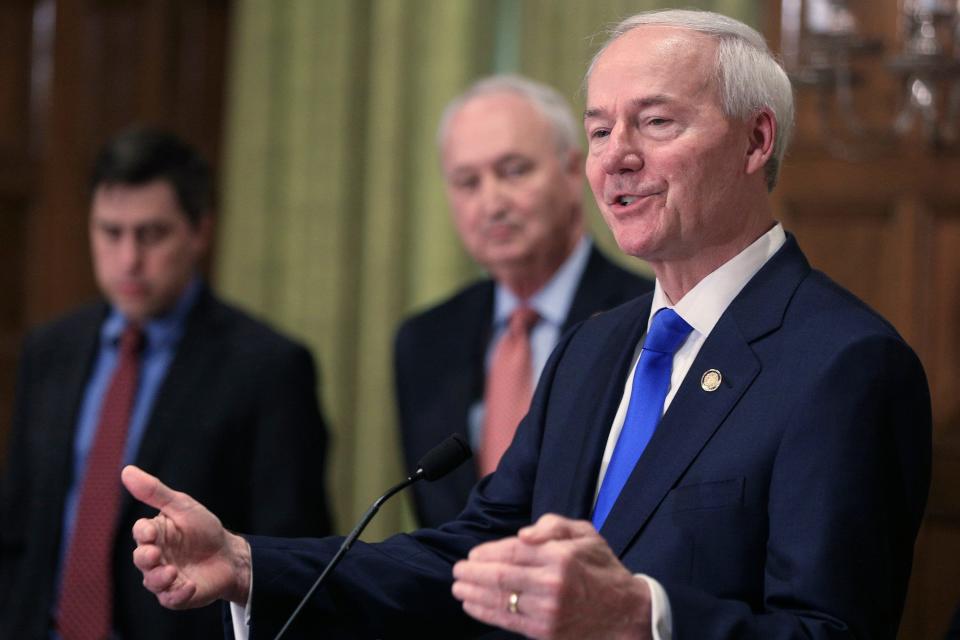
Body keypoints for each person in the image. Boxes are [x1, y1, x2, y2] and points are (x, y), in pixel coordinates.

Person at [122, 9, 931, 639]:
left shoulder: (845, 364)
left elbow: (832, 630)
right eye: (600, 128)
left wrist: (641, 617)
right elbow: (470, 555)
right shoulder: (596, 348)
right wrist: (247, 561)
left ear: (756, 140)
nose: (616, 156)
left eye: (654, 122)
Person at [0, 126, 334, 639]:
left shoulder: (268, 367)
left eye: (152, 234)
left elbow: (291, 555)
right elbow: (20, 529)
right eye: (111, 232)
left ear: (198, 231)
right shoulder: (50, 351)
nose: (129, 259)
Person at [396, 74, 652, 528]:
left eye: (514, 171)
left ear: (573, 172)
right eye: (467, 182)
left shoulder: (649, 316)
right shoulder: (424, 340)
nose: (492, 203)